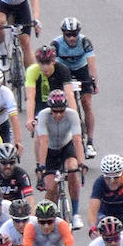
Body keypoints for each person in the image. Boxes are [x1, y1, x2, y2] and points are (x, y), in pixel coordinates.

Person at [34, 90, 85, 229]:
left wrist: (81, 163)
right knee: (51, 187)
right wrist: (42, 166)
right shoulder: (43, 115)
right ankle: (48, 217)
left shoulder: (72, 115)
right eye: (54, 111)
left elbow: (77, 139)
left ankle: (75, 214)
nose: (58, 114)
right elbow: (43, 141)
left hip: (66, 147)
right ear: (50, 109)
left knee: (72, 170)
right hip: (49, 150)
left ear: (65, 108)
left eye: (61, 111)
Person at [52, 16, 99, 158]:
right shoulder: (56, 44)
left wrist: (94, 82)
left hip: (81, 69)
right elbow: (52, 66)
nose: (72, 38)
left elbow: (91, 64)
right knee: (62, 101)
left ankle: (90, 142)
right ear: (63, 34)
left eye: (75, 34)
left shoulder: (84, 42)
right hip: (63, 70)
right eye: (68, 35)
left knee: (86, 102)